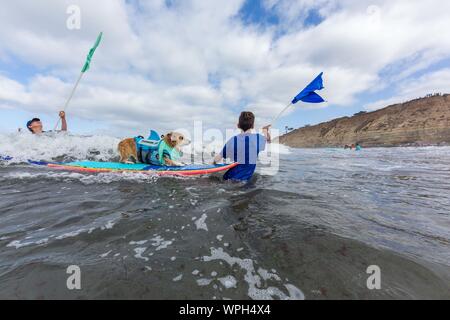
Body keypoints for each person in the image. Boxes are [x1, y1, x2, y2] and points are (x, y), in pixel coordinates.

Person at [213, 111, 271, 181]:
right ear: (252, 126)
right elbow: (268, 140)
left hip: (227, 178)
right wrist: (265, 130)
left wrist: (212, 163)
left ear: (238, 125)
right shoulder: (258, 139)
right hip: (243, 182)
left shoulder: (232, 140)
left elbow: (217, 159)